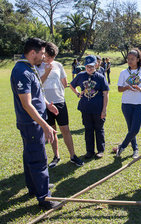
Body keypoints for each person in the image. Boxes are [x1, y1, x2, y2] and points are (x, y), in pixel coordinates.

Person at [10, 37, 60, 209]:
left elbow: (36, 93)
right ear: (33, 53)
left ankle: (35, 187)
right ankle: (45, 198)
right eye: (42, 53)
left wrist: (47, 105)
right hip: (31, 123)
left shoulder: (29, 68)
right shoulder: (21, 71)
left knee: (30, 155)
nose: (44, 57)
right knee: (38, 158)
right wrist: (45, 125)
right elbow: (26, 103)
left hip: (34, 121)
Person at [36, 42, 84, 168]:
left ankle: (73, 156)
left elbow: (64, 82)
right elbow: (37, 85)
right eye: (47, 56)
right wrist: (46, 73)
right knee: (51, 131)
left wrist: (59, 92)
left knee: (65, 130)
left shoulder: (58, 65)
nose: (49, 59)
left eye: (52, 57)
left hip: (60, 102)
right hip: (46, 104)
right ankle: (56, 156)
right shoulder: (37, 66)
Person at [113, 48, 141, 159]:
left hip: (139, 104)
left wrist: (140, 89)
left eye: (132, 59)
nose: (129, 61)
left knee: (135, 129)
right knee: (131, 129)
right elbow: (119, 89)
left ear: (138, 59)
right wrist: (127, 87)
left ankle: (122, 146)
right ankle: (135, 149)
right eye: (128, 59)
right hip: (126, 104)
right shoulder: (123, 72)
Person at [70, 55, 109, 159]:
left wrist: (104, 109)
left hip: (98, 109)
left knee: (99, 129)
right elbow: (72, 85)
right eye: (87, 66)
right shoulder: (81, 75)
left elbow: (106, 93)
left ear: (96, 65)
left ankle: (100, 150)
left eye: (91, 66)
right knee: (88, 130)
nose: (89, 68)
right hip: (85, 108)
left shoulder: (100, 77)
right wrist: (78, 94)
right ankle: (89, 151)